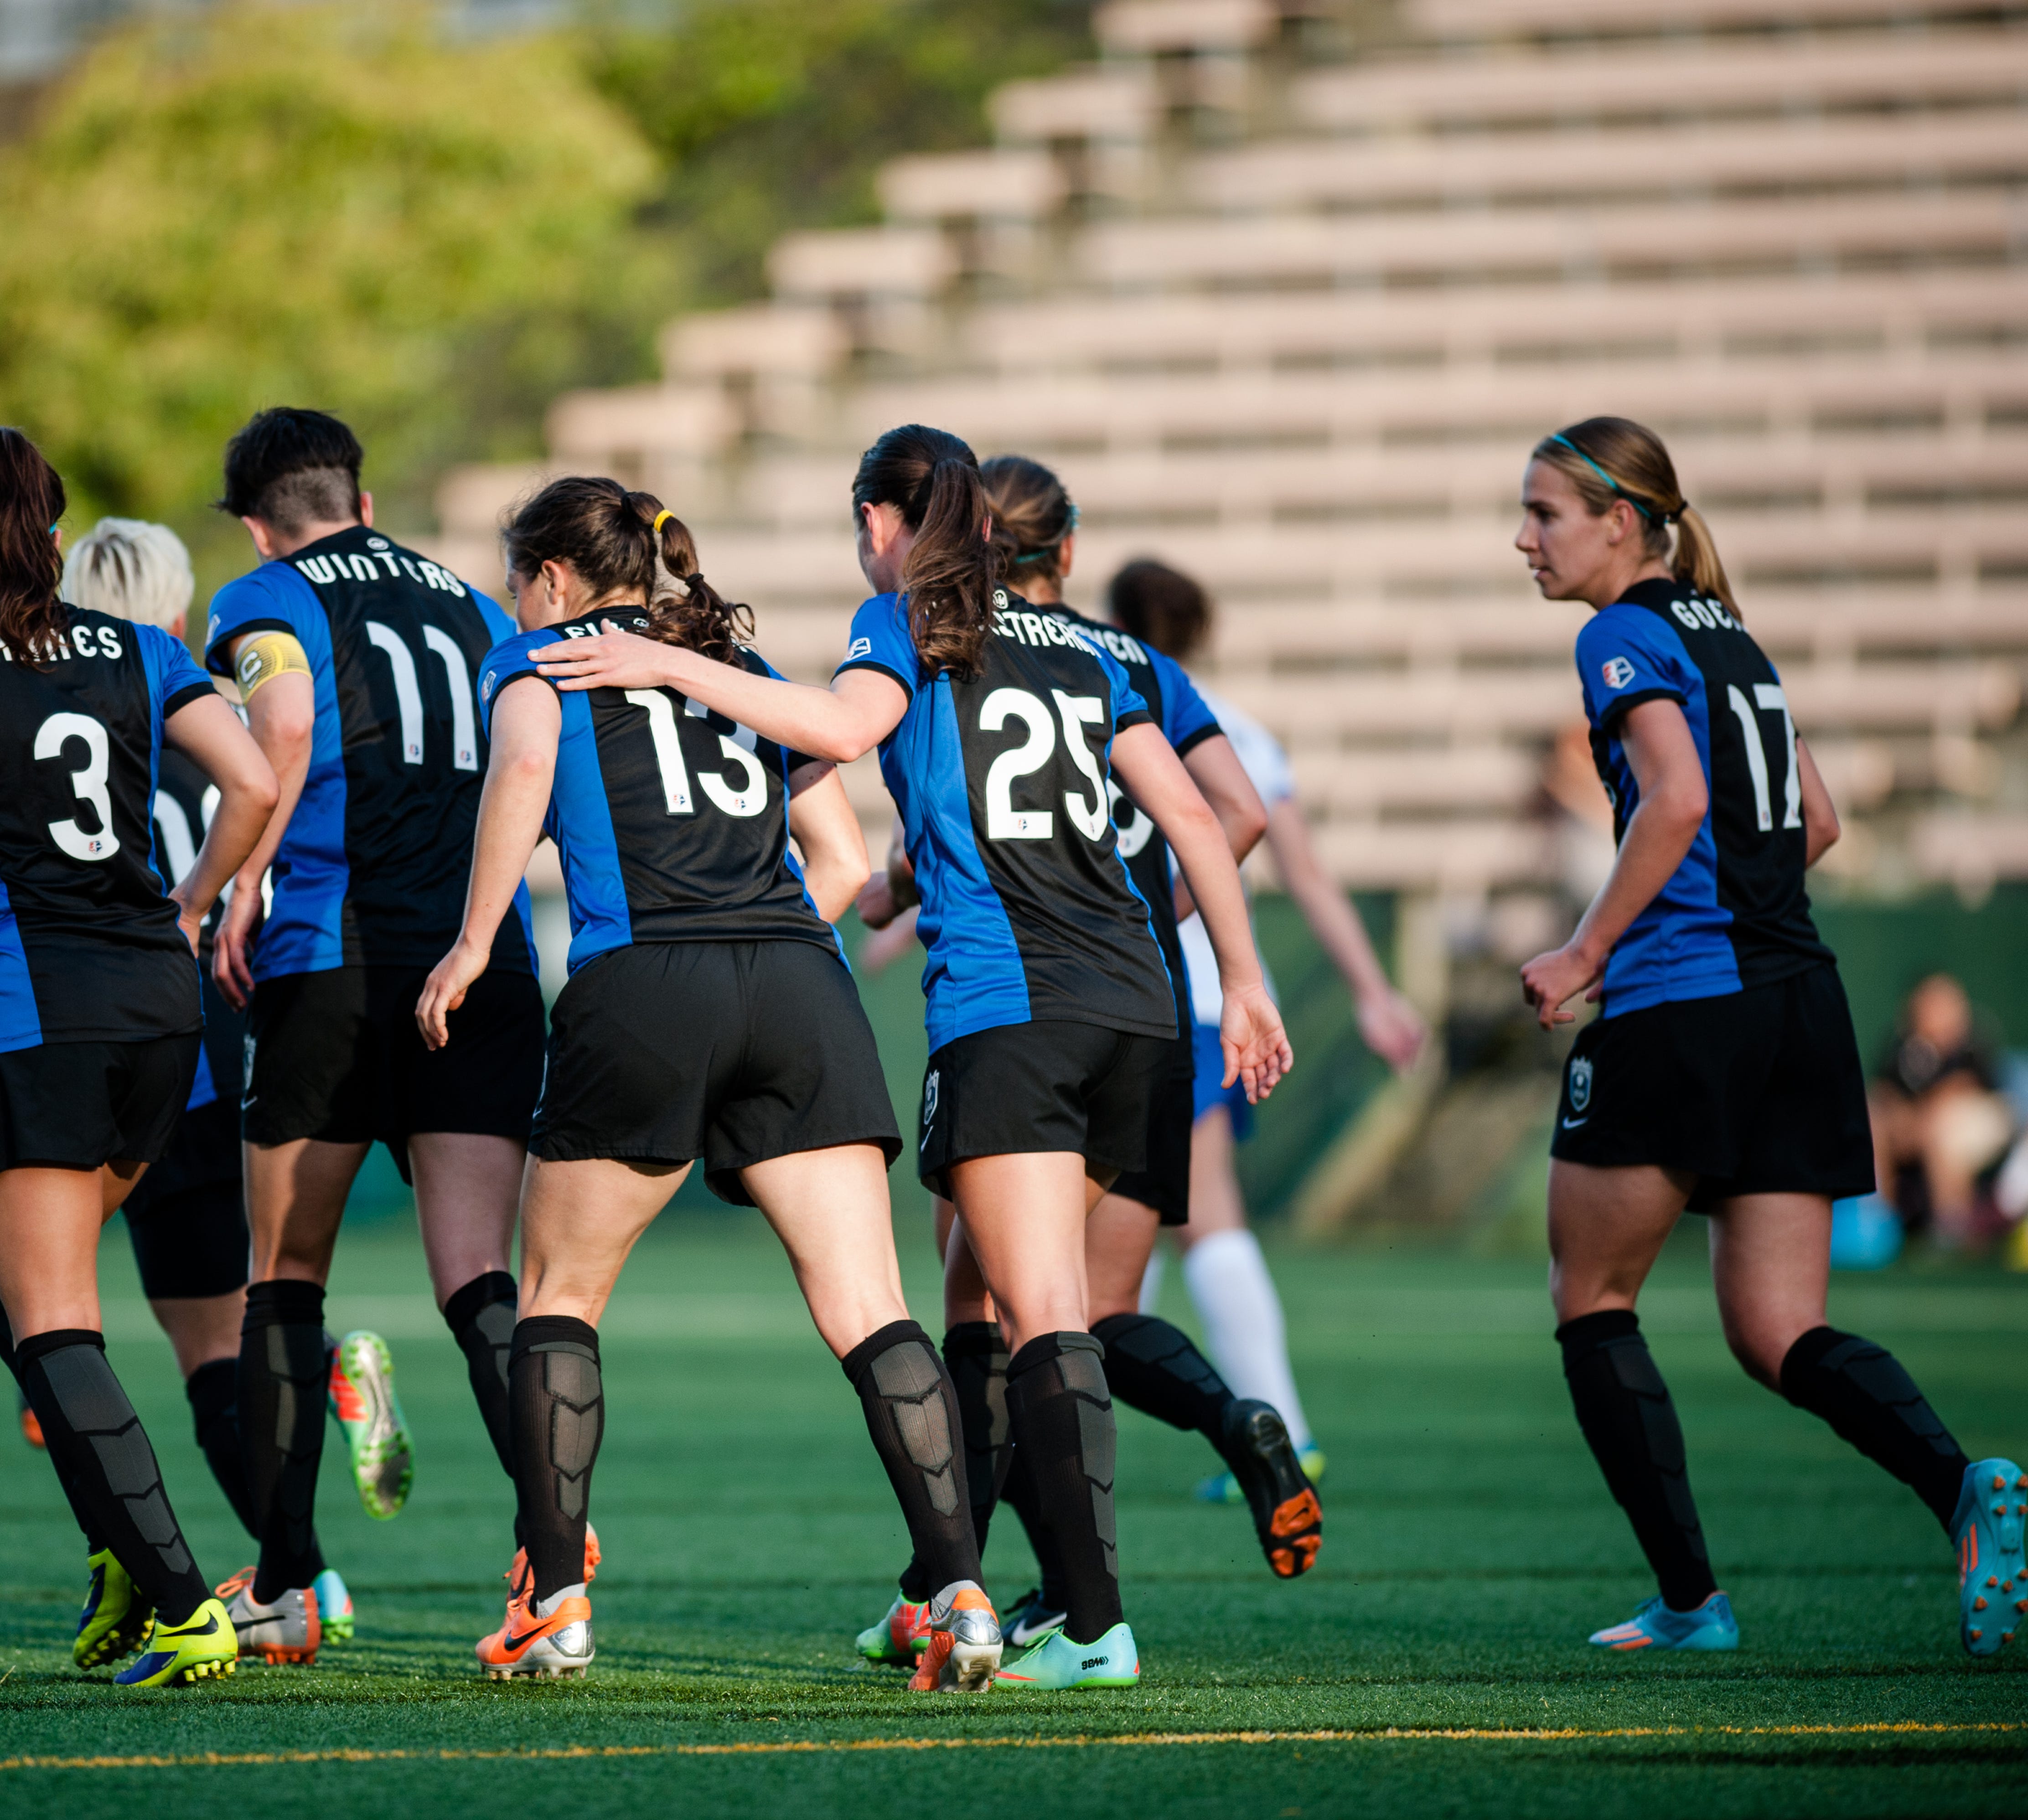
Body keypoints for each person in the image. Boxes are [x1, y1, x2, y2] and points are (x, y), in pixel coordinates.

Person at [529, 424, 1295, 1692]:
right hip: (1141, 1005)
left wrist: (661, 659)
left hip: (1012, 1006)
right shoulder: (1099, 648)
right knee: (979, 1298)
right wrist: (1249, 982)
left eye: (862, 524)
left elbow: (840, 730)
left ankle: (1091, 1625)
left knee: (1039, 1315)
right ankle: (945, 1588)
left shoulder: (908, 618)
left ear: (883, 521)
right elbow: (1201, 819)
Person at [417, 477, 1002, 1686]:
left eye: (518, 580)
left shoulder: (538, 659)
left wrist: (473, 944)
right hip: (800, 983)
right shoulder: (735, 662)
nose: (515, 603)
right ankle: (961, 1596)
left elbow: (521, 775)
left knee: (559, 1301)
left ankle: (555, 1605)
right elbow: (840, 860)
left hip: (645, 982)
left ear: (554, 579)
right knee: (873, 1307)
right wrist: (758, 963)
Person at [1515, 414, 2020, 1656]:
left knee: (1591, 1296)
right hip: (1801, 1001)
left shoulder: (1618, 633)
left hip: (1684, 1003)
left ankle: (1692, 1602)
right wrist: (1738, 915)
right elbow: (1821, 821)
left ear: (1620, 522)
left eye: (1543, 514)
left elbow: (1678, 798)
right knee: (1778, 1330)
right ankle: (1964, 1486)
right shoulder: (1730, 635)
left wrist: (1588, 949)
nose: (1523, 540)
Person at [0, 427, 276, 1688]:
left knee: (52, 1321)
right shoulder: (144, 649)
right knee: (31, 1298)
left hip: (32, 1019)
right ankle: (126, 1551)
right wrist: (191, 903)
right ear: (59, 540)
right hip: (161, 1015)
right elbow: (251, 782)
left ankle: (180, 1601)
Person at [852, 457, 1317, 1660]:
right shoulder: (1122, 659)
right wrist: (1185, 936)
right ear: (1066, 550)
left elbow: (921, 779)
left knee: (1011, 1317)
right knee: (1082, 1311)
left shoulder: (943, 639)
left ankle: (1051, 1605)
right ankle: (1220, 1429)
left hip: (1020, 999)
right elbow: (1232, 813)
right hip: (1147, 1002)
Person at [198, 409, 541, 1660]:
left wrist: (240, 880)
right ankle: (553, 1573)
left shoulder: (264, 597)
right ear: (361, 496)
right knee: (482, 1280)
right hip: (480, 961)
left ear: (256, 522)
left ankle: (288, 1586)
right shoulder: (478, 607)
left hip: (334, 959)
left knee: (285, 1278)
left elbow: (285, 727)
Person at [60, 515, 360, 1650]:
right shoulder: (221, 715)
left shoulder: (74, 719)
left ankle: (307, 1578)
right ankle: (319, 1396)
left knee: (199, 1356)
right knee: (257, 1307)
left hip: (135, 1037)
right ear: (180, 615)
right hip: (242, 1020)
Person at [1107, 555, 1431, 1505]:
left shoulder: (1089, 699)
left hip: (1133, 992)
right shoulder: (1237, 730)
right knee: (1151, 1223)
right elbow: (1306, 874)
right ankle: (1219, 1423)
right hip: (1209, 995)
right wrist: (1372, 991)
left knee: (1183, 1216)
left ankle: (1274, 1425)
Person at [1867, 973, 2012, 1245]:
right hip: (1916, 1129)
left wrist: (1924, 1119)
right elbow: (1885, 1093)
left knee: (1944, 1127)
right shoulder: (1902, 1048)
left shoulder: (1972, 1043)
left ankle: (1952, 1228)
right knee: (1874, 1119)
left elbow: (1964, 1090)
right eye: (1932, 1003)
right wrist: (1902, 1119)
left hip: (1977, 1125)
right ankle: (1877, 1220)